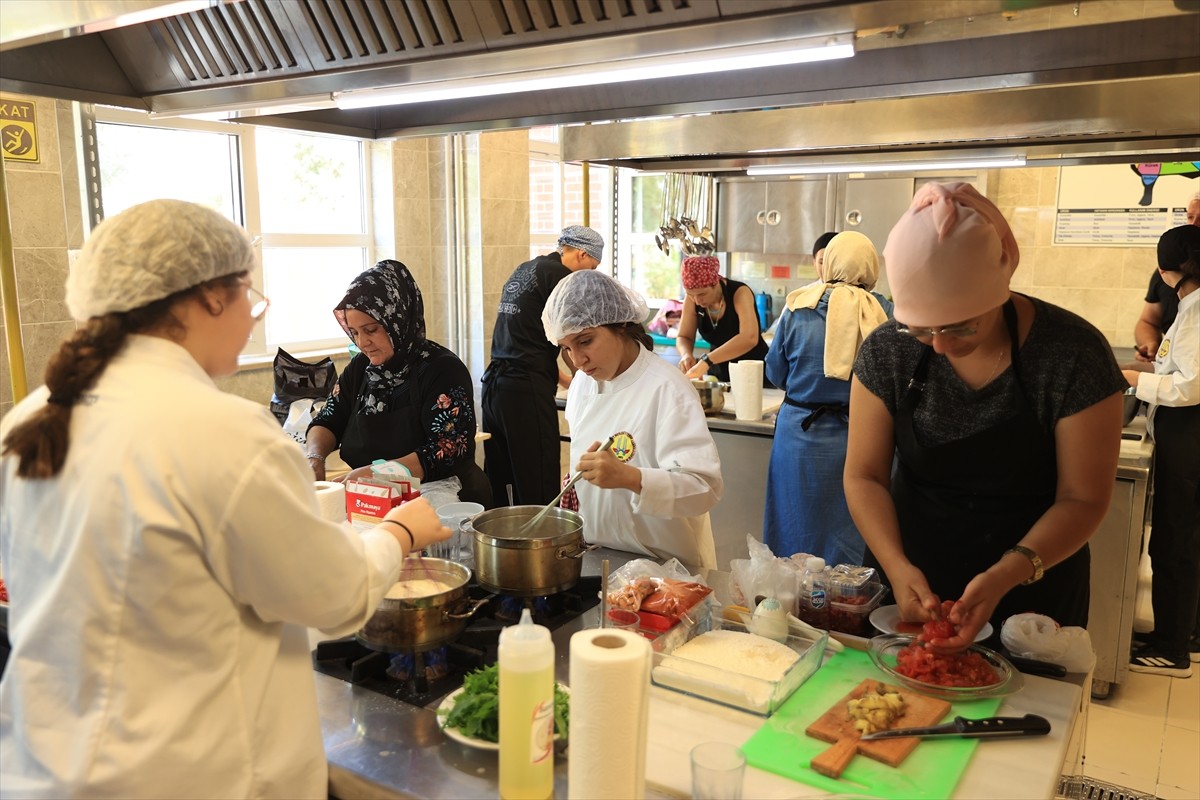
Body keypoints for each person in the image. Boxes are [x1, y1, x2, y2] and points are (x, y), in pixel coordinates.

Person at [0, 200, 450, 798]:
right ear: (211, 297)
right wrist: (397, 533)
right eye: (248, 296)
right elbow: (335, 595)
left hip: (52, 767)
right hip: (192, 775)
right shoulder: (223, 433)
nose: (250, 316)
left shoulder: (30, 419)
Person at [844, 182, 1126, 650]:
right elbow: (864, 475)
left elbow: (1083, 498)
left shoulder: (1072, 354)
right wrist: (895, 566)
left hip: (1034, 585)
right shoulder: (888, 350)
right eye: (920, 329)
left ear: (1002, 283)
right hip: (913, 582)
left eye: (960, 326)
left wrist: (1004, 575)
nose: (939, 345)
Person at [542, 270, 723, 570]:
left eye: (585, 341)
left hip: (665, 568)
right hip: (599, 557)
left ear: (621, 327)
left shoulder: (667, 389)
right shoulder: (581, 386)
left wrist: (630, 478)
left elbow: (704, 488)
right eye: (566, 348)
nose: (577, 361)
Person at [306, 259, 490, 507]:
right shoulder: (361, 369)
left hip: (443, 504)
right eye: (355, 332)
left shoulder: (442, 369)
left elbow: (447, 450)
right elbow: (328, 419)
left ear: (398, 319)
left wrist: (376, 475)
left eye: (370, 330)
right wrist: (315, 458)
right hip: (376, 503)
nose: (362, 343)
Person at [763, 232, 893, 566]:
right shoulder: (885, 311)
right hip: (862, 436)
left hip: (799, 436)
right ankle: (848, 605)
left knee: (794, 521)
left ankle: (790, 606)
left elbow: (775, 372)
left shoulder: (797, 308)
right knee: (851, 527)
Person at [1121, 225, 1200, 677]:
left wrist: (1133, 379)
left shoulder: (1195, 309)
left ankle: (1171, 648)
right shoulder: (1189, 306)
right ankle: (1182, 632)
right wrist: (1154, 367)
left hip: (1189, 437)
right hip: (1183, 434)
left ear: (1166, 270)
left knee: (1176, 541)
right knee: (1183, 539)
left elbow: (1189, 387)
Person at [481, 225, 604, 506]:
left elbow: (529, 339)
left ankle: (502, 547)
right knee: (538, 483)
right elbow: (574, 336)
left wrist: (568, 381)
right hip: (525, 393)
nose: (591, 275)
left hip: (495, 389)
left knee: (501, 481)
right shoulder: (563, 279)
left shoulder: (526, 269)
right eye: (593, 266)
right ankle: (541, 549)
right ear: (583, 255)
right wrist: (590, 383)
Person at [675, 255, 771, 385]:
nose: (697, 301)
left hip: (752, 372)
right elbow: (684, 336)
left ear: (715, 283)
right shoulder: (692, 299)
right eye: (691, 295)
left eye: (702, 294)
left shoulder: (740, 293)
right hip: (719, 374)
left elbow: (750, 337)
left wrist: (706, 360)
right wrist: (686, 354)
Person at [1133, 194, 1199, 362]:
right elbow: (1147, 321)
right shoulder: (1169, 269)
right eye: (1190, 217)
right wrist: (1151, 344)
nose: (1193, 224)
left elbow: (1189, 382)